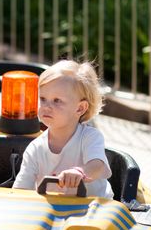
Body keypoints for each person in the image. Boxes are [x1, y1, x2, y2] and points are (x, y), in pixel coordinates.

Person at [12, 59, 113, 199]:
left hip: (92, 208)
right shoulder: (35, 149)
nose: (46, 106)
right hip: (53, 211)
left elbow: (97, 165)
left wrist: (80, 173)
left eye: (57, 101)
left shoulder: (90, 137)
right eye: (42, 98)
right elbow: (20, 190)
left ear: (80, 108)